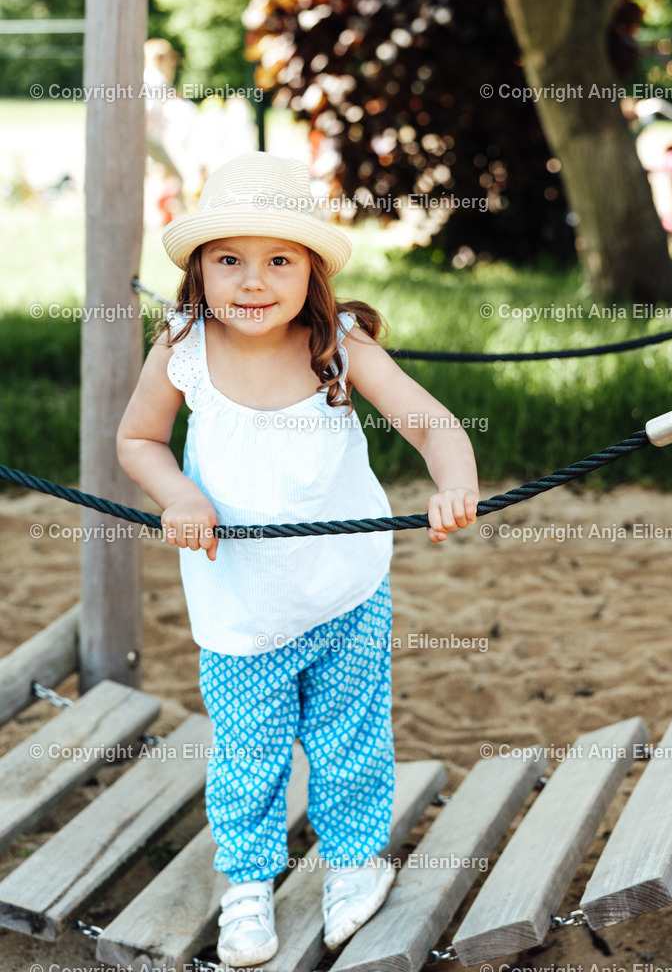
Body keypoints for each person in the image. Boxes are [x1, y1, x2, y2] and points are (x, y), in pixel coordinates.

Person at [116, 152, 480, 967]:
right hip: (240, 606)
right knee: (249, 750)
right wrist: (178, 494)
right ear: (199, 272)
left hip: (347, 588)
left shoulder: (337, 344)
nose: (252, 281)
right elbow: (137, 441)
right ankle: (247, 881)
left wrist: (454, 482)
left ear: (310, 270)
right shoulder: (182, 345)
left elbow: (429, 424)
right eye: (229, 261)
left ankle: (354, 860)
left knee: (349, 738)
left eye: (278, 259)